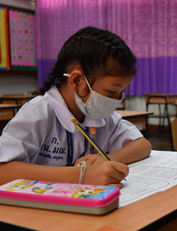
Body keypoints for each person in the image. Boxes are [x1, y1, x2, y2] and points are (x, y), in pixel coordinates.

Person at [0, 26, 152, 187]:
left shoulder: (100, 116)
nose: (118, 100)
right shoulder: (38, 113)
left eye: (122, 92)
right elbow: (3, 171)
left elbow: (143, 145)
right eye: (111, 91)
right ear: (77, 81)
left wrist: (106, 160)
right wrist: (81, 176)